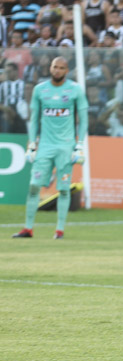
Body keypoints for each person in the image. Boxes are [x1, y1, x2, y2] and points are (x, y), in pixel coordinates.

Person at [13, 57, 88, 240]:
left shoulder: (75, 90)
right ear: (50, 68)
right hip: (45, 146)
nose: (57, 70)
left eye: (61, 68)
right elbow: (34, 119)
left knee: (63, 188)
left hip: (65, 146)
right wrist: (32, 145)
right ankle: (28, 229)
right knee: (33, 186)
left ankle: (59, 230)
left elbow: (84, 120)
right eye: (55, 67)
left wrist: (79, 145)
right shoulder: (40, 90)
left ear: (66, 70)